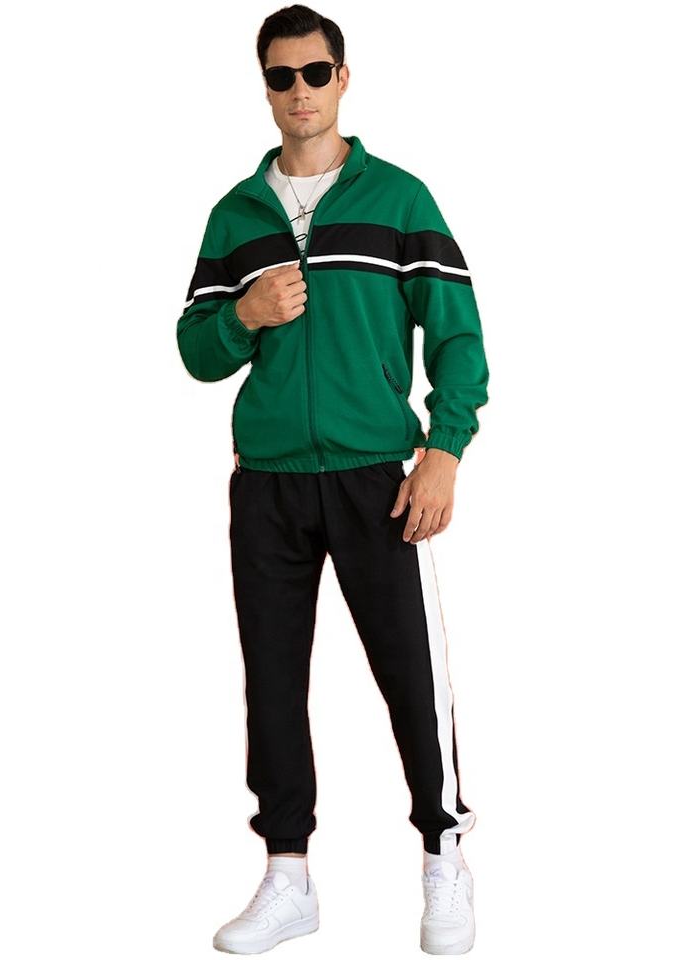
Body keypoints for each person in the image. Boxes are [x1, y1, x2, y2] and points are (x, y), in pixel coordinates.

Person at [176, 6, 489, 955]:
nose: (300, 91)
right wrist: (246, 315)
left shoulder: (399, 198)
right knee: (272, 682)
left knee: (409, 675)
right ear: (265, 88)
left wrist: (444, 450)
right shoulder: (236, 214)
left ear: (343, 78)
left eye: (316, 73)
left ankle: (443, 856)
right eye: (282, 76)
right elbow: (195, 350)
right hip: (266, 482)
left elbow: (459, 333)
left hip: (374, 479)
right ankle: (288, 876)